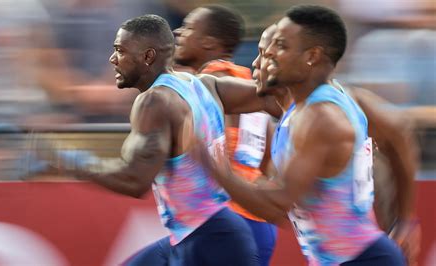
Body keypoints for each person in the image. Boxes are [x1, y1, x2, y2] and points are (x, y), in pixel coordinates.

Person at [27, 14, 284, 265]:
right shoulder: (205, 85)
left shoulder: (155, 100)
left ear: (148, 56)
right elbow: (275, 99)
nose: (112, 59)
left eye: (120, 50)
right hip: (204, 234)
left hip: (212, 241)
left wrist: (69, 162)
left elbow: (134, 180)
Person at [197, 5, 415, 265]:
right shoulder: (291, 102)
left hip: (363, 259)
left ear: (311, 56)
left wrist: (215, 166)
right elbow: (210, 87)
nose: (260, 61)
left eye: (277, 48)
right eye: (265, 51)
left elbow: (276, 206)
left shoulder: (323, 118)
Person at [174, 5, 278, 265]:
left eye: (188, 28)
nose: (178, 32)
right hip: (258, 222)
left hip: (223, 223)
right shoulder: (252, 88)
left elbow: (194, 151)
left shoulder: (208, 86)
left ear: (208, 42)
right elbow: (267, 162)